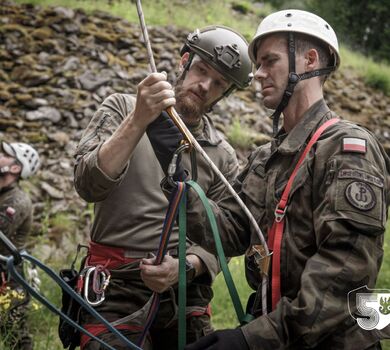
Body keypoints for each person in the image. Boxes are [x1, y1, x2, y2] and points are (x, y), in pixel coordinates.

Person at [145, 9, 390, 350]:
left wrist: (250, 340)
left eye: (268, 61)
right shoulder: (265, 158)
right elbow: (228, 231)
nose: (257, 75)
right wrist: (175, 173)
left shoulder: (348, 149)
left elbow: (343, 278)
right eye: (257, 65)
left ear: (309, 60)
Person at [73, 25, 253, 349]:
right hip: (115, 284)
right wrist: (139, 119)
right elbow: (87, 184)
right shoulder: (122, 108)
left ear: (224, 94)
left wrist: (186, 266)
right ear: (184, 61)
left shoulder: (221, 157)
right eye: (201, 70)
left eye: (219, 84)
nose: (205, 86)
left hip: (185, 293)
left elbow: (226, 235)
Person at [0, 141, 40, 350]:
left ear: (15, 167)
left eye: (4, 154)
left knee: (15, 335)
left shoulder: (17, 201)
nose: (0, 156)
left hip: (9, 278)